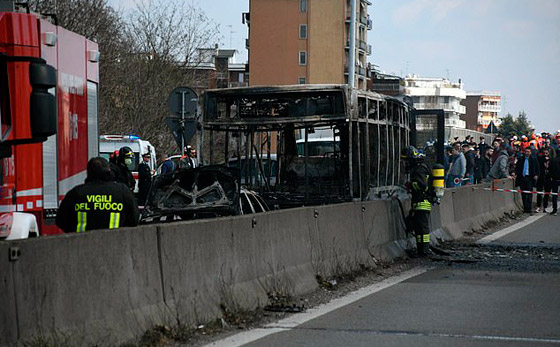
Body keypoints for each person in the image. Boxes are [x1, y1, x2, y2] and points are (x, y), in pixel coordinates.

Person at [56, 157, 139, 233]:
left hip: (81, 244)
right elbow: (134, 219)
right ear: (109, 171)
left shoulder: (76, 193)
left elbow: (61, 220)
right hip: (114, 243)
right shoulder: (122, 191)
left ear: (88, 172)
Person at [401, 146, 434, 257]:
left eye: (407, 160)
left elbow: (421, 185)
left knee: (422, 228)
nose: (406, 163)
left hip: (422, 202)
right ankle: (421, 250)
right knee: (419, 227)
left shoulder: (419, 169)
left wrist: (410, 184)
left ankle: (424, 250)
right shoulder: (422, 167)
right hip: (420, 202)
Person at [515, 147, 539, 213]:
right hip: (522, 178)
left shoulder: (534, 159)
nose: (527, 153)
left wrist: (536, 175)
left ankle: (529, 208)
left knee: (529, 193)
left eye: (528, 152)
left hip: (530, 178)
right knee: (523, 193)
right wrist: (514, 173)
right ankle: (525, 208)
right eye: (526, 151)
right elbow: (517, 168)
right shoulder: (521, 159)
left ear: (530, 152)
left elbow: (537, 168)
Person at [535, 148, 552, 213]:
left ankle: (545, 207)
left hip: (548, 178)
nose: (545, 155)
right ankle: (538, 206)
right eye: (544, 153)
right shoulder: (540, 159)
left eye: (546, 153)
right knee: (539, 192)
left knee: (547, 193)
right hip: (541, 178)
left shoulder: (551, 160)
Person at [549, 148, 560, 216]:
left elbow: (550, 170)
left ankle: (555, 210)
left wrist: (552, 177)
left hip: (555, 179)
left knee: (554, 195)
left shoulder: (553, 160)